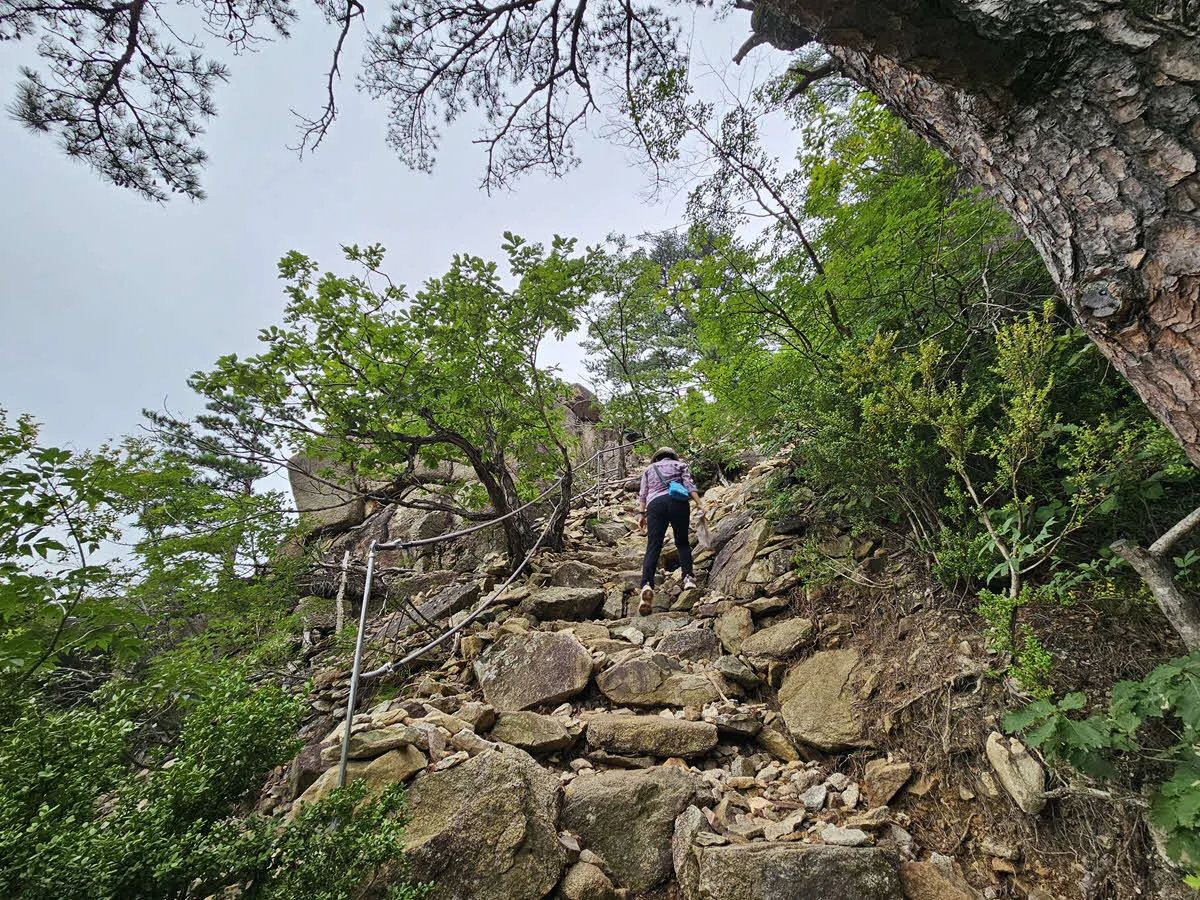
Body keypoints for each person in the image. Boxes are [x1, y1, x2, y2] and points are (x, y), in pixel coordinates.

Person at [636, 447, 708, 615]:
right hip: (677, 501)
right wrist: (699, 503)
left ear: (657, 458)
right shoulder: (680, 465)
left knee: (653, 546)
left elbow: (643, 493)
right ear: (672, 456)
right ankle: (688, 578)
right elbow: (689, 485)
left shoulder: (649, 469)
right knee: (682, 542)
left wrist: (641, 513)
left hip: (655, 505)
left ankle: (646, 584)